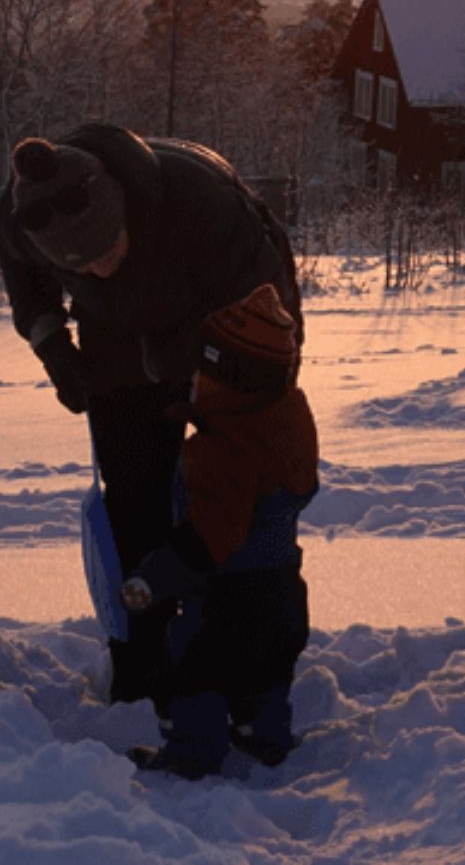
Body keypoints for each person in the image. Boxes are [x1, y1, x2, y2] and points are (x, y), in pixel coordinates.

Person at [0, 123, 302, 711]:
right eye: (82, 269)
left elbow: (270, 312)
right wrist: (54, 347)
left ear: (124, 214)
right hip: (115, 338)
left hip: (225, 325)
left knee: (239, 499)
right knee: (133, 498)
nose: (101, 269)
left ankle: (245, 656)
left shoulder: (202, 206)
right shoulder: (20, 214)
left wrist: (252, 400)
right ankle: (144, 658)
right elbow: (27, 286)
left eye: (109, 252)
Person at [120, 282, 318, 779]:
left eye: (203, 370)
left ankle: (192, 755)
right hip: (284, 596)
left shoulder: (217, 453)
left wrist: (155, 576)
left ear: (228, 378)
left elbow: (214, 535)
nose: (194, 378)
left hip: (229, 606)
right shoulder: (288, 421)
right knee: (266, 679)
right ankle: (265, 739)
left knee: (189, 674)